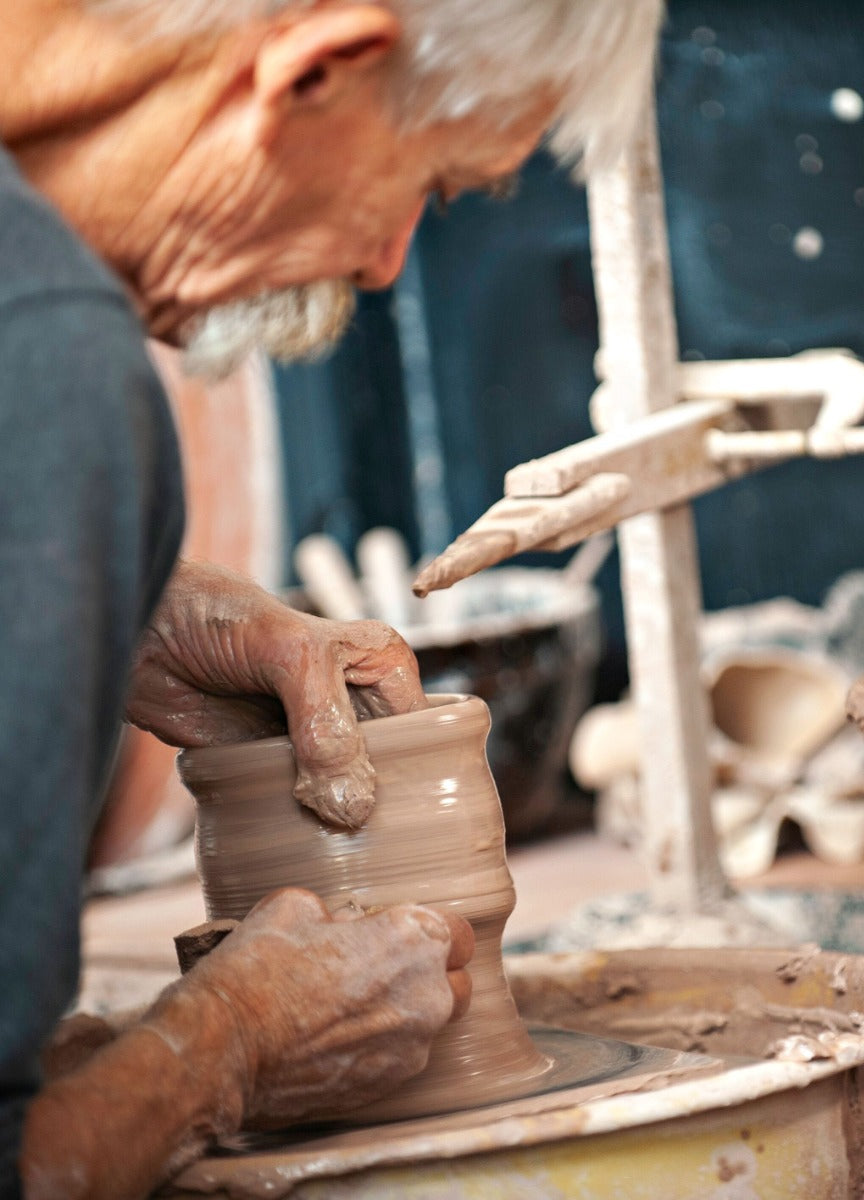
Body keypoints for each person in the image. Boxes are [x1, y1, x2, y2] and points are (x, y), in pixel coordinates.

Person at [0, 0, 662, 1195]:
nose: (384, 262)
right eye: (438, 185)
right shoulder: (47, 359)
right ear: (316, 72)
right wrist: (222, 1054)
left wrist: (108, 603)